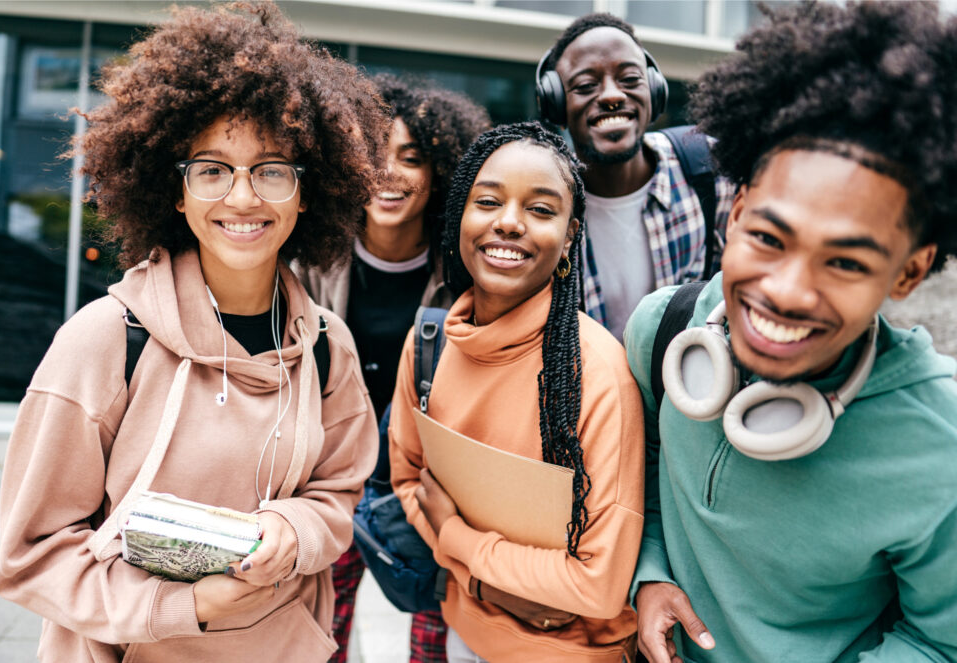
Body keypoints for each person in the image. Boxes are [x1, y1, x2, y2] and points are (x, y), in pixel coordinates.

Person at [0, 4, 384, 661]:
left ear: (306, 192)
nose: (242, 197)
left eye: (271, 169)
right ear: (175, 192)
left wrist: (292, 525)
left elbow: (338, 493)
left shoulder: (325, 345)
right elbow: (30, 555)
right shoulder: (107, 340)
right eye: (212, 169)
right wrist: (188, 605)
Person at [624, 2, 957, 662]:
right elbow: (644, 472)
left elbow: (939, 640)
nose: (787, 291)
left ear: (909, 272)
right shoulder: (660, 330)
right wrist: (650, 573)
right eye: (769, 237)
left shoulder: (940, 443)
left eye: (845, 261)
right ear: (737, 208)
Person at [389, 121, 645, 663]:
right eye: (487, 202)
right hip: (464, 633)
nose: (508, 224)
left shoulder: (598, 377)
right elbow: (409, 480)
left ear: (571, 235)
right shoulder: (429, 343)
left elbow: (598, 586)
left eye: (541, 210)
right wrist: (487, 586)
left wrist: (460, 544)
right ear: (460, 212)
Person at [296, 72, 490, 663]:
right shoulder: (310, 259)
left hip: (425, 485)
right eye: (374, 153)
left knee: (432, 639)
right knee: (320, 634)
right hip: (332, 478)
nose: (390, 172)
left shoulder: (463, 273)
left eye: (411, 157)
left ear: (439, 175)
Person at [538, 13, 737, 340]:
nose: (612, 96)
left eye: (630, 79)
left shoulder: (712, 170)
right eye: (586, 86)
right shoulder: (544, 204)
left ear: (654, 89)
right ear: (556, 104)